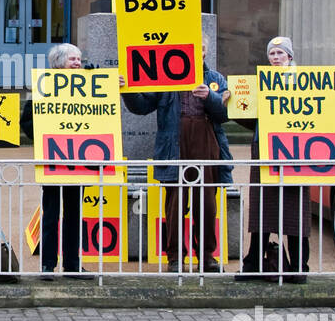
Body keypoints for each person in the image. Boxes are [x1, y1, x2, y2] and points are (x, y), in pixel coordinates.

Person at [123, 46, 233, 271]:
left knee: (207, 204)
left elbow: (225, 115)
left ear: (204, 53)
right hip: (174, 144)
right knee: (175, 203)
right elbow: (142, 106)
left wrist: (210, 97)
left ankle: (206, 257)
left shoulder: (215, 78)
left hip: (206, 142)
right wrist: (127, 90)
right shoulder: (165, 77)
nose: (195, 52)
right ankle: (175, 258)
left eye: (199, 48)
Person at [236, 36, 311, 283]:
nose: (276, 58)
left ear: (290, 56)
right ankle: (254, 264)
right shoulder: (261, 83)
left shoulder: (306, 82)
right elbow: (251, 119)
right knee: (262, 210)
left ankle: (299, 267)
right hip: (265, 148)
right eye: (272, 54)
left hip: (295, 150)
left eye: (280, 53)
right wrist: (233, 106)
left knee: (294, 209)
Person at [40, 43, 85, 275]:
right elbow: (29, 121)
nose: (78, 63)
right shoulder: (44, 87)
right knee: (51, 215)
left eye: (79, 59)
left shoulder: (89, 87)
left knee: (74, 216)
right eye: (72, 59)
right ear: (59, 63)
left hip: (78, 162)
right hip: (53, 161)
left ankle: (72, 264)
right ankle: (47, 264)